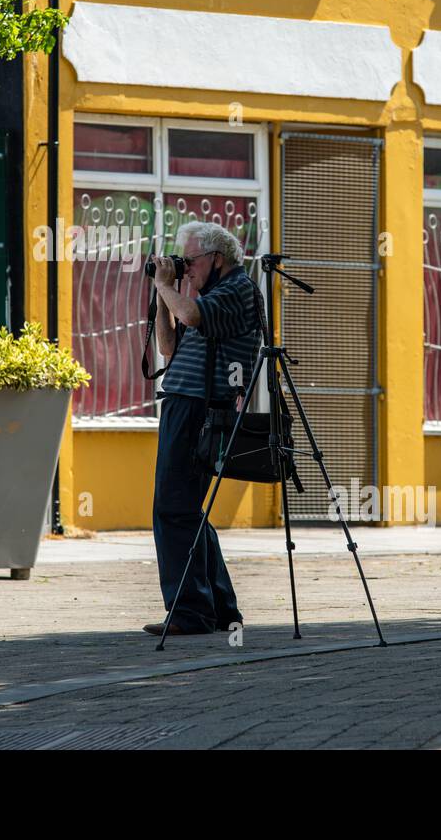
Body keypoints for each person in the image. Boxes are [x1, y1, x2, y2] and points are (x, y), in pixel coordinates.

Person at [145, 220, 261, 636]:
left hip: (199, 409)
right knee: (187, 509)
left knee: (173, 507)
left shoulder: (236, 290)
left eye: (190, 260)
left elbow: (191, 315)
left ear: (217, 258)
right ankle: (221, 607)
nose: (185, 268)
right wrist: (163, 298)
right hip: (185, 404)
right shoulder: (208, 295)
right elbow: (168, 346)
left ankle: (190, 612)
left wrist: (165, 286)